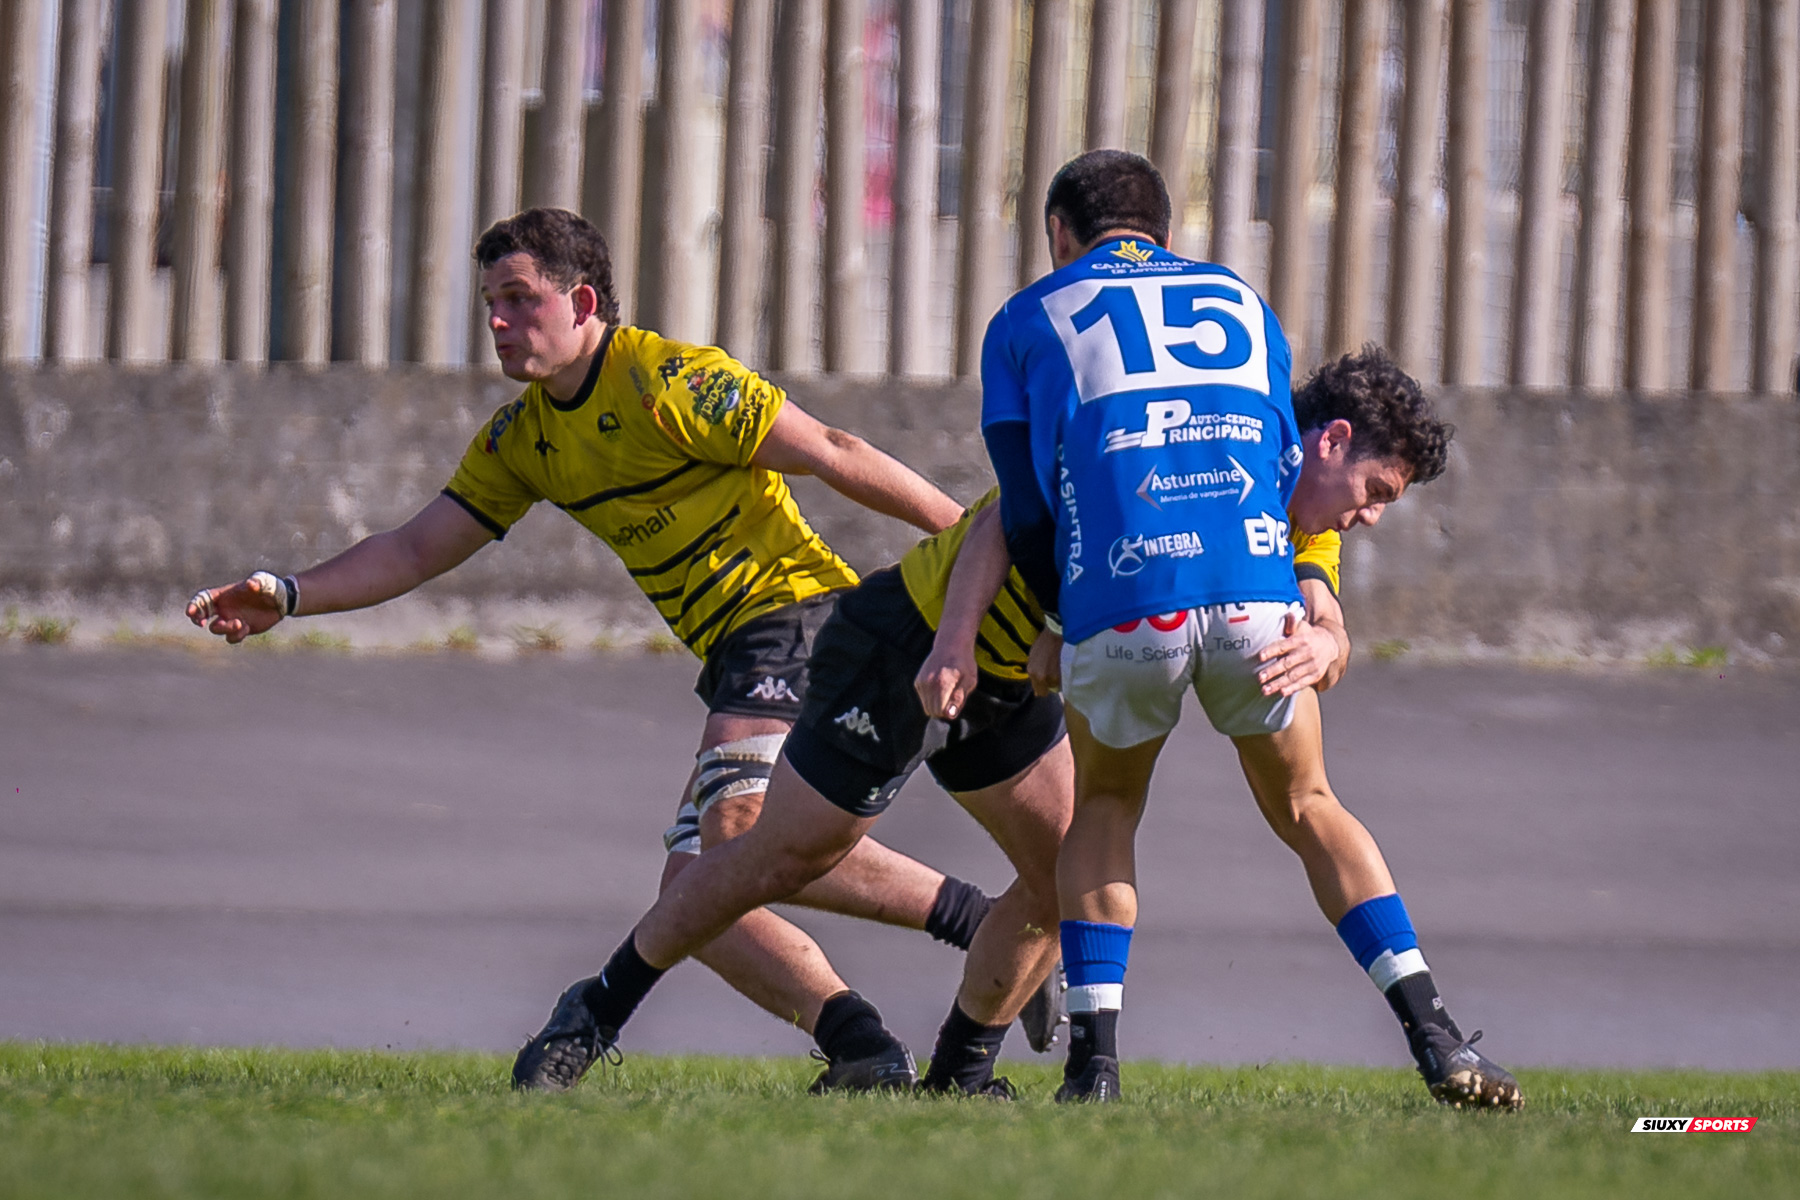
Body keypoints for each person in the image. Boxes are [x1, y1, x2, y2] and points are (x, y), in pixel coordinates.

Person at [184, 206, 1058, 1079]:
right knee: (691, 892)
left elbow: (834, 448)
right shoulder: (523, 439)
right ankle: (862, 1047)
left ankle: (968, 922)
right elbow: (414, 549)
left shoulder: (669, 380)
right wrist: (289, 595)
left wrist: (978, 552)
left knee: (736, 836)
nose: (499, 322)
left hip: (796, 618)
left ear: (583, 302)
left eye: (520, 299)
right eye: (490, 303)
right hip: (740, 650)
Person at [942, 148, 1519, 1109]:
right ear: (1167, 234)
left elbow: (1029, 503)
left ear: (1059, 234)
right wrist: (1314, 603)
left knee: (1106, 809)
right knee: (1310, 804)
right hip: (1256, 597)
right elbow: (1279, 464)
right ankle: (1435, 1035)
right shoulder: (1244, 303)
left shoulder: (1024, 318)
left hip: (1126, 598)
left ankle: (1094, 1067)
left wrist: (1059, 618)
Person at [511, 493, 1075, 1097]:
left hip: (1009, 668)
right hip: (910, 638)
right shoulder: (1109, 442)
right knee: (770, 852)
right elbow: (986, 510)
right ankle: (594, 1013)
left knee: (1068, 865)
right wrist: (969, 632)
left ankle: (962, 1080)